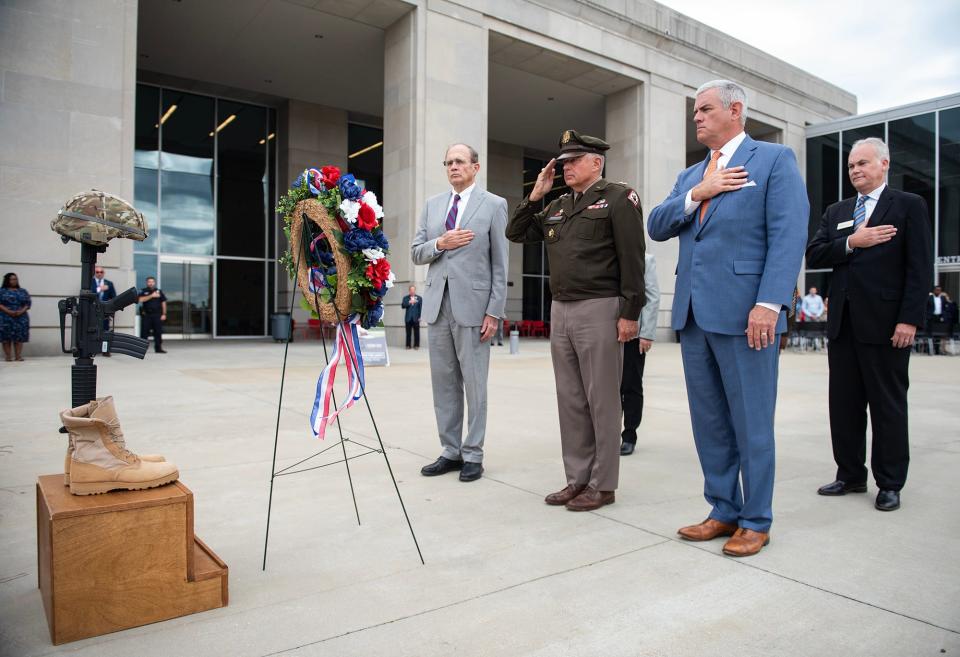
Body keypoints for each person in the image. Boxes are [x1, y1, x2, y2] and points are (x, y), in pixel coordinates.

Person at [647, 80, 808, 556]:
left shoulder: (773, 160)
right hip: (695, 316)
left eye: (704, 109)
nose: (695, 117)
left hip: (747, 316)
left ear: (735, 110)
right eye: (694, 111)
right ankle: (722, 509)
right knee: (710, 421)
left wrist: (770, 303)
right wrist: (699, 192)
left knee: (751, 421)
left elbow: (788, 234)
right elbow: (657, 225)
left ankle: (756, 519)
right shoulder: (691, 175)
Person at [507, 129, 645, 511]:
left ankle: (603, 484)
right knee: (570, 399)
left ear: (596, 162)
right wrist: (536, 194)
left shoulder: (618, 198)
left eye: (573, 160)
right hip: (561, 309)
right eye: (563, 161)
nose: (566, 167)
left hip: (601, 308)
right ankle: (578, 479)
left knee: (601, 399)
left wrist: (630, 313)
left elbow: (633, 259)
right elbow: (515, 232)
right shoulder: (556, 206)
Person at [806, 137, 933, 512]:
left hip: (887, 326)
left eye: (863, 163)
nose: (856, 170)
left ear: (884, 164)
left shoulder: (908, 206)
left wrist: (909, 319)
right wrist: (852, 241)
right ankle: (850, 474)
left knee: (887, 405)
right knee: (843, 405)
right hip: (843, 325)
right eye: (851, 166)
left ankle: (890, 482)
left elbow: (920, 268)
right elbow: (814, 252)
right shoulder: (838, 211)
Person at [411, 143, 509, 482]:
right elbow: (416, 253)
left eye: (459, 161)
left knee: (474, 384)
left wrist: (494, 312)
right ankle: (450, 451)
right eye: (448, 162)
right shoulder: (433, 206)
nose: (453, 167)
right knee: (444, 384)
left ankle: (473, 454)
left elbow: (500, 264)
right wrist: (441, 243)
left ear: (475, 167)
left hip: (474, 308)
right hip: (438, 306)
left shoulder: (494, 205)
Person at [620, 252, 660, 456]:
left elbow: (652, 298)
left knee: (631, 385)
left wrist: (647, 334)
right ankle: (608, 434)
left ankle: (629, 435)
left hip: (634, 335)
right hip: (607, 334)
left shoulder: (645, 259)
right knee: (609, 387)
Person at [0, 272, 31, 362]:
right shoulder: (2, 291)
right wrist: (9, 311)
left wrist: (20, 311)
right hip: (5, 317)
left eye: (15, 279)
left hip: (20, 317)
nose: (14, 281)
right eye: (12, 279)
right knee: (6, 338)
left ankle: (18, 356)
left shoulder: (22, 291)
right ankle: (8, 356)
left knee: (19, 337)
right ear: (7, 280)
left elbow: (27, 303)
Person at [138, 276, 167, 354]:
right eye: (149, 282)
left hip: (157, 315)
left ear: (154, 283)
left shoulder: (159, 291)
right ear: (147, 283)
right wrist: (151, 296)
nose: (151, 283)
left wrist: (164, 314)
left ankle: (158, 348)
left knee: (158, 332)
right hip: (146, 315)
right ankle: (142, 349)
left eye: (152, 282)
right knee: (144, 332)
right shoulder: (143, 291)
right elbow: (140, 300)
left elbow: (163, 303)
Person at [401, 285, 422, 350]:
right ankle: (408, 345)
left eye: (413, 290)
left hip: (416, 318)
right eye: (411, 290)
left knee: (417, 333)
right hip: (408, 318)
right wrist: (409, 302)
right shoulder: (405, 298)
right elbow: (403, 306)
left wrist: (421, 316)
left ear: (415, 290)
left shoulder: (419, 298)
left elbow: (421, 308)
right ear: (409, 290)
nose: (412, 291)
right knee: (408, 333)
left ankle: (416, 345)